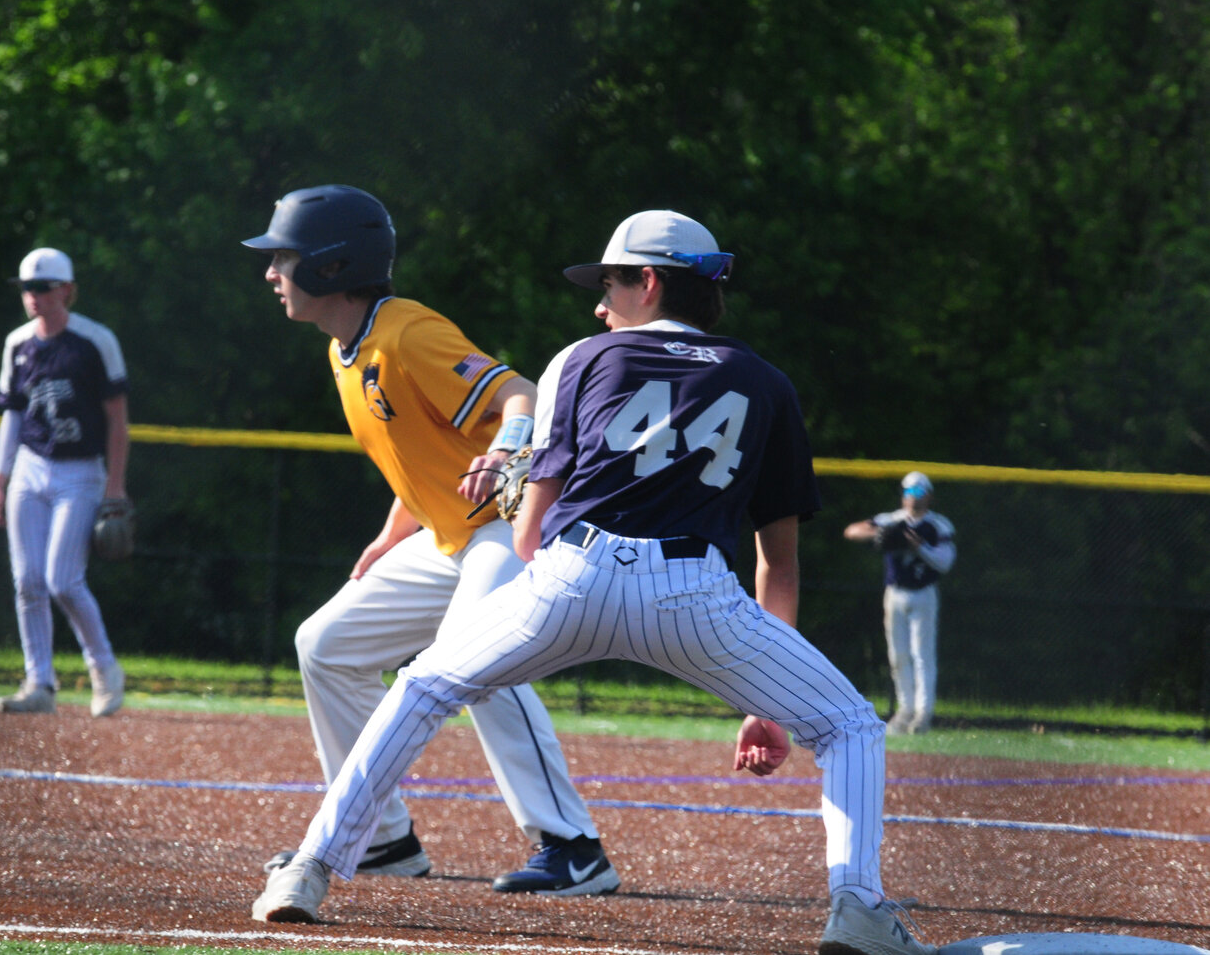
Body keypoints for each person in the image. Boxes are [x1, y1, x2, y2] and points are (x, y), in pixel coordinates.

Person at [251, 209, 939, 955]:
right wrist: (764, 707)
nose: (598, 304)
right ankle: (859, 912)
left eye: (610, 284)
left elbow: (528, 531)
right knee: (849, 725)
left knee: (422, 687)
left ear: (649, 282)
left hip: (573, 571)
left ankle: (310, 870)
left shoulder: (582, 359)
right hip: (696, 593)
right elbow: (779, 557)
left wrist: (523, 528)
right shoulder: (765, 381)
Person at [240, 185, 618, 894]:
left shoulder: (407, 330)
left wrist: (506, 450)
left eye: (282, 257)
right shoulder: (344, 348)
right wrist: (391, 536)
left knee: (474, 657)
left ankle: (573, 846)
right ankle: (382, 838)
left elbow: (522, 396)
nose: (270, 273)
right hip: (449, 537)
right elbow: (419, 455)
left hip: (505, 530)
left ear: (329, 266)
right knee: (325, 645)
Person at [0, 247, 129, 719]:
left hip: (80, 470)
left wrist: (116, 485)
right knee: (27, 580)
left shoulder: (94, 340)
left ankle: (104, 669)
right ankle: (39, 682)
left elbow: (117, 421)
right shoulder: (16, 343)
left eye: (43, 288)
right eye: (27, 289)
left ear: (67, 290)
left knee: (63, 580)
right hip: (30, 466)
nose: (34, 297)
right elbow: (12, 416)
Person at [843, 472, 956, 735]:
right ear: (903, 494)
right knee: (898, 655)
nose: (913, 498)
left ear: (929, 496)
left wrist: (921, 548)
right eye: (909, 492)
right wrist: (879, 532)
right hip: (895, 593)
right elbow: (851, 531)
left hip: (924, 593)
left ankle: (923, 714)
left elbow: (946, 562)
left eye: (919, 493)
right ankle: (905, 712)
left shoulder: (938, 525)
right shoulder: (892, 520)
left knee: (921, 654)